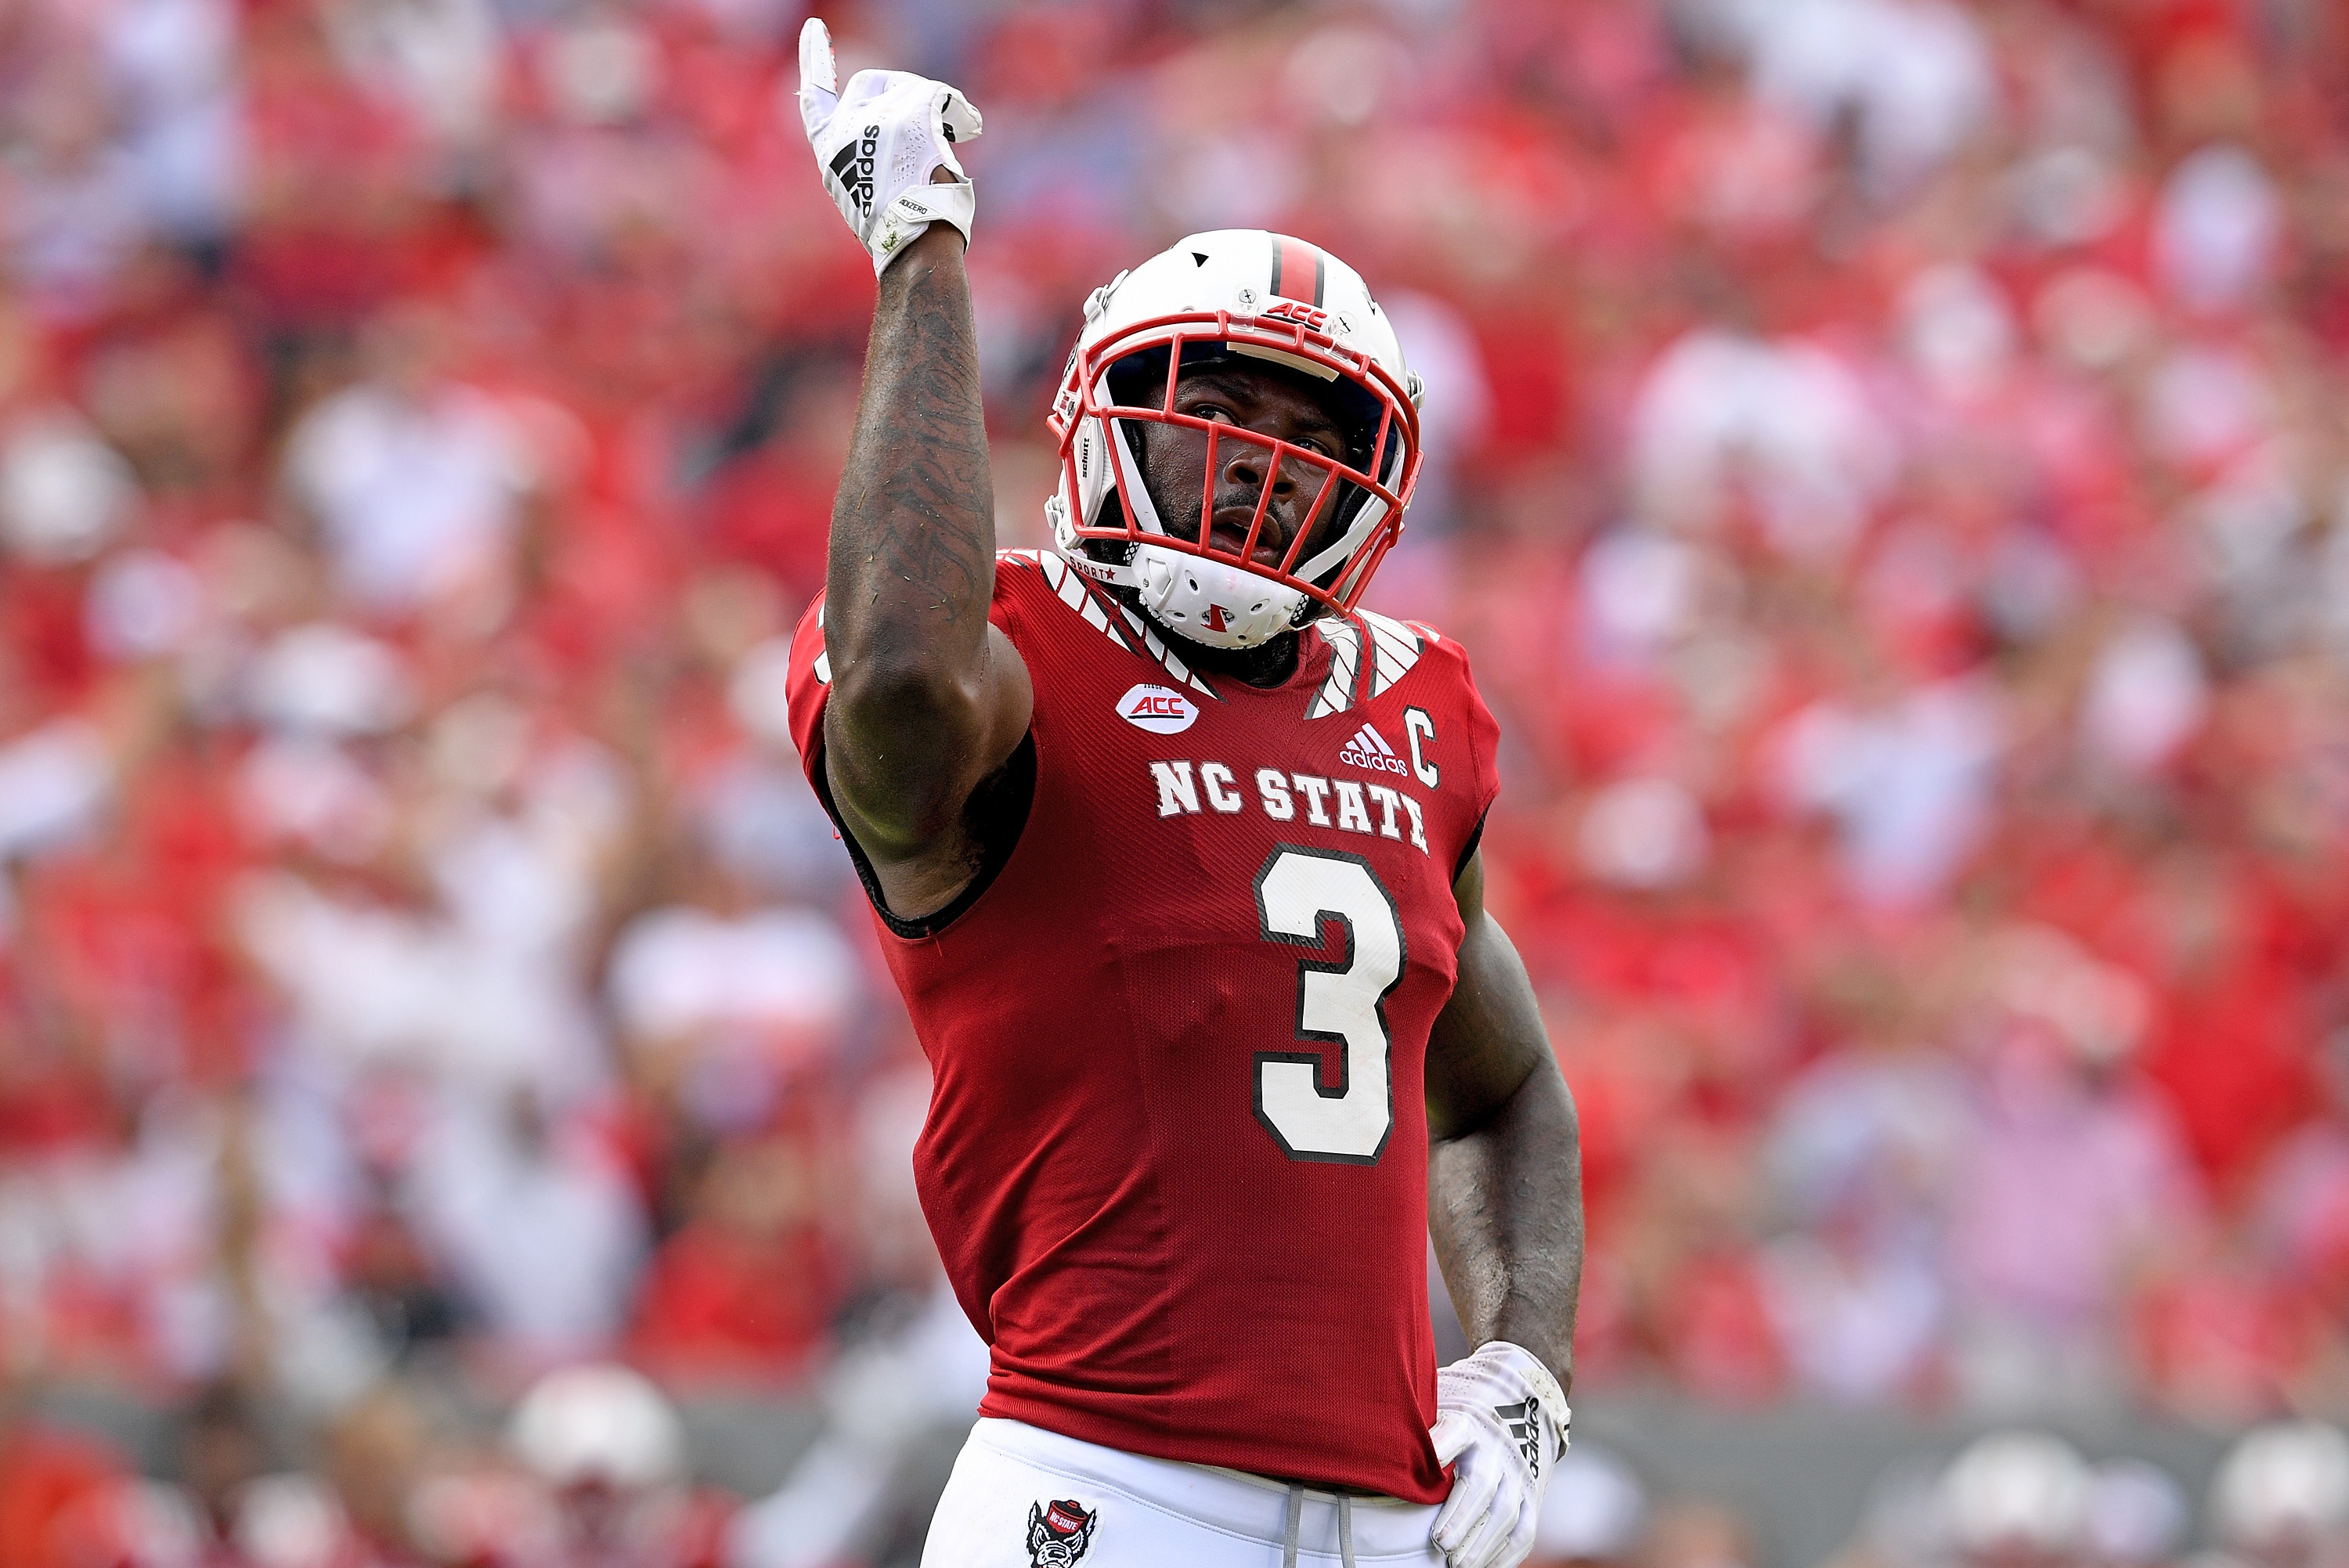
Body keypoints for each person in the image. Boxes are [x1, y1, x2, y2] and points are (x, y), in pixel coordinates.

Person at [785, 20, 1584, 1568]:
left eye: (1310, 437)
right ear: (1104, 414)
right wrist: (923, 255)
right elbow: (893, 692)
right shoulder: (1007, 649)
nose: (1261, 462)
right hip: (1104, 1494)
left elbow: (1503, 1092)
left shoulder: (1420, 711)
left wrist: (1525, 1375)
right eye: (1215, 405)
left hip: (1397, 1523)